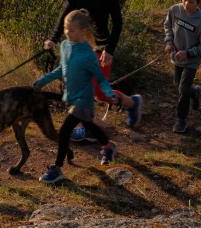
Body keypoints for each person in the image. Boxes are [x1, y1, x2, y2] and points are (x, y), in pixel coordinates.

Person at [35, 9, 141, 183]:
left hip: (84, 100)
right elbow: (61, 69)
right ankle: (108, 146)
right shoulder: (65, 46)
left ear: (84, 32)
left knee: (64, 131)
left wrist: (109, 94)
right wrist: (42, 81)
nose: (67, 32)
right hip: (72, 98)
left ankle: (57, 169)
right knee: (90, 126)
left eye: (72, 29)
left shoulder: (88, 54)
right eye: (66, 28)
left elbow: (100, 78)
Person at [44, 0, 126, 132]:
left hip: (101, 46)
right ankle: (84, 126)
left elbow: (118, 22)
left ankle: (131, 102)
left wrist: (110, 49)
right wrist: (53, 39)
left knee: (99, 92)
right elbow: (64, 15)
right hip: (79, 47)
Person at [164, 0, 201, 133]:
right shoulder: (174, 10)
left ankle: (181, 120)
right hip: (177, 57)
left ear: (198, 3)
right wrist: (168, 42)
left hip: (191, 60)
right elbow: (168, 26)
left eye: (191, 1)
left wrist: (189, 53)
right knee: (178, 85)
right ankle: (195, 92)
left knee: (183, 89)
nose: (186, 4)